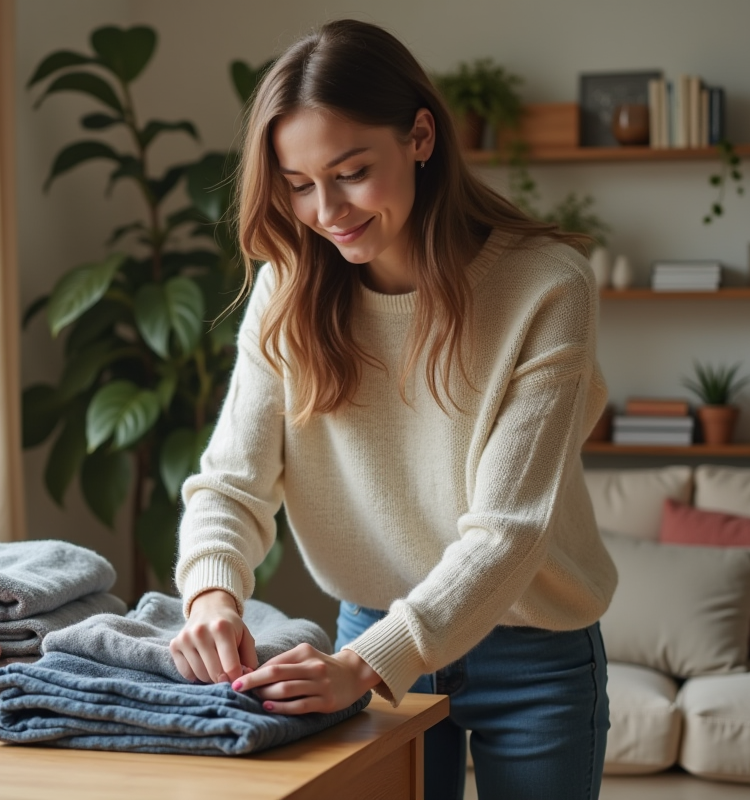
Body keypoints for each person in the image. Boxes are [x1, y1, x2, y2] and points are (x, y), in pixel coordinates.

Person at [169, 18, 617, 800]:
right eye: (298, 184)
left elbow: (508, 531)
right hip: (368, 629)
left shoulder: (547, 285)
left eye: (349, 172)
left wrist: (360, 665)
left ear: (419, 136)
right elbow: (233, 483)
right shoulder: (287, 290)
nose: (326, 210)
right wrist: (211, 592)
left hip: (532, 650)